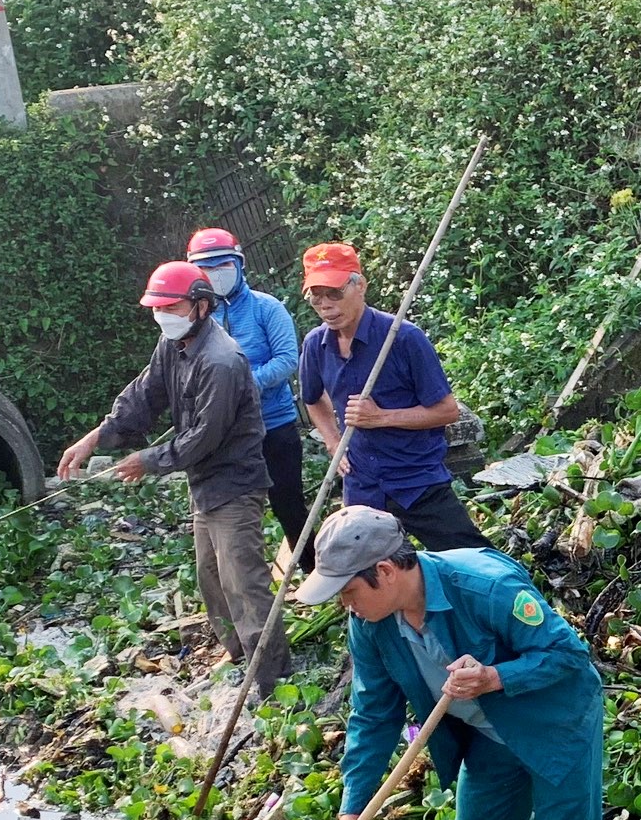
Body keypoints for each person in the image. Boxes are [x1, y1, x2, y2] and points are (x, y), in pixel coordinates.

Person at [300, 506, 605, 820]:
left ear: (385, 571)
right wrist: (349, 814)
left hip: (556, 727)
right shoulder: (371, 624)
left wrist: (495, 677)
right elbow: (373, 717)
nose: (345, 606)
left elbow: (568, 655)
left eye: (348, 592)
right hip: (487, 738)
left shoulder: (484, 587)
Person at [57, 261, 286, 687]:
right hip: (204, 484)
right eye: (157, 308)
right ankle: (240, 657)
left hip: (234, 484)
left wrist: (149, 460)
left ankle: (271, 678)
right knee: (211, 577)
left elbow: (204, 437)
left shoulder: (221, 361)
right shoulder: (172, 344)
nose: (163, 316)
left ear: (201, 306)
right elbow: (143, 396)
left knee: (244, 582)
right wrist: (94, 438)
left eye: (171, 307)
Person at [296, 241, 491, 552]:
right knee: (370, 574)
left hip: (416, 480)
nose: (325, 305)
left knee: (473, 560)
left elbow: (447, 411)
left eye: (334, 293)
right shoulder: (315, 345)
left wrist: (381, 417)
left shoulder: (403, 338)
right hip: (362, 486)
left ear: (360, 286)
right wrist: (333, 442)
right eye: (316, 296)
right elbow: (312, 398)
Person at [185, 225, 306, 555]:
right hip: (223, 434)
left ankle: (311, 567)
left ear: (239, 264)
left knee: (289, 505)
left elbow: (287, 359)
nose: (216, 273)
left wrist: (245, 383)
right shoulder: (195, 319)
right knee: (230, 512)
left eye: (223, 265)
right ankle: (246, 576)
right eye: (206, 268)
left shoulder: (267, 308)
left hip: (274, 425)